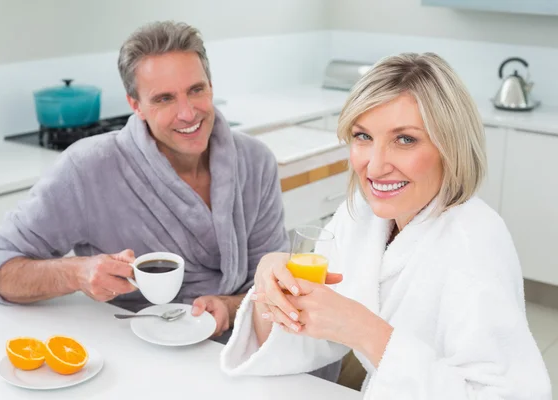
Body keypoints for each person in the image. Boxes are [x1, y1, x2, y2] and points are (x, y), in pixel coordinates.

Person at [220, 52, 552, 398]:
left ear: (450, 147)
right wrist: (271, 290)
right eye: (363, 136)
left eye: (404, 139)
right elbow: (308, 336)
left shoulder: (476, 242)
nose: (375, 167)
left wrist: (364, 329)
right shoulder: (362, 216)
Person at [0, 20, 290, 342]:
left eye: (196, 90)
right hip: (140, 350)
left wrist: (230, 306)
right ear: (135, 105)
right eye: (164, 99)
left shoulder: (255, 161)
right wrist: (77, 273)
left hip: (246, 340)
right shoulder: (89, 168)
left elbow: (269, 285)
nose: (187, 113)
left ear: (210, 86)